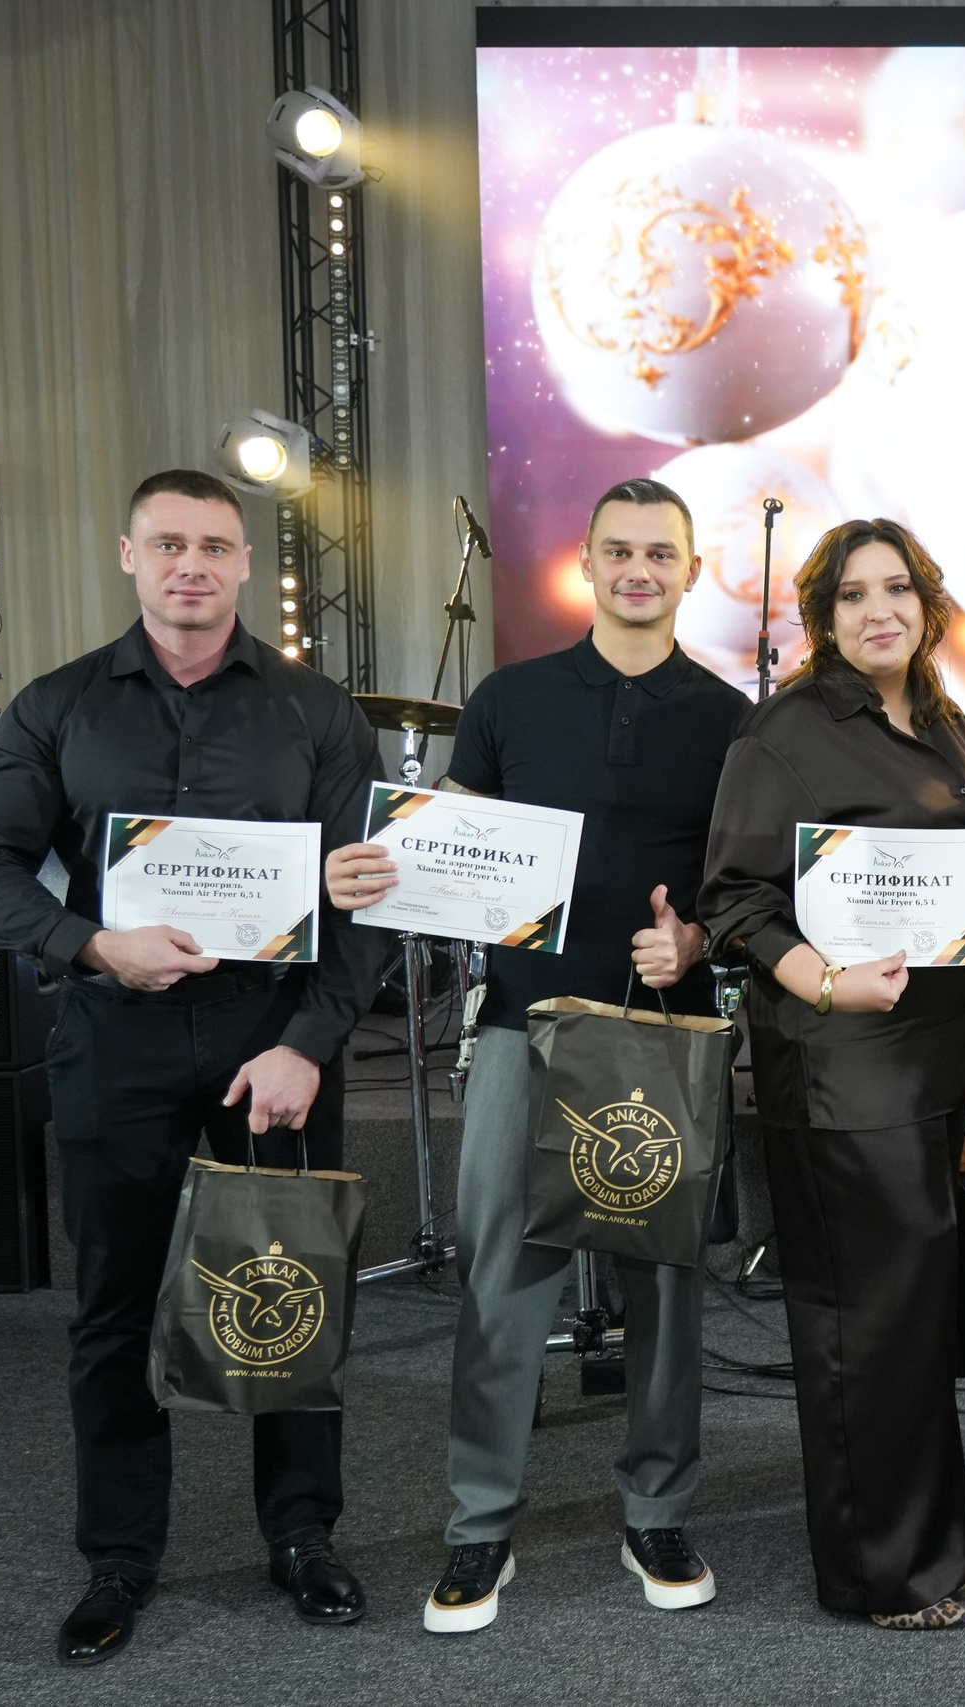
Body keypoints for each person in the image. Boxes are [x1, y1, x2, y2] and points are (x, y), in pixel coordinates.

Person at [0, 469, 387, 1666]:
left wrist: (307, 1042)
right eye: (168, 544)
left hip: (273, 1042)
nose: (191, 564)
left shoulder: (315, 713)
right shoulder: (57, 708)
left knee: (287, 1296)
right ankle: (120, 1559)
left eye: (215, 546)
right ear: (129, 556)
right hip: (116, 1035)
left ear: (246, 565)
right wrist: (90, 940)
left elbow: (363, 897)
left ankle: (302, 1536)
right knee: (115, 1308)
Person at [320, 478, 749, 1632]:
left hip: (662, 1035)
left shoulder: (731, 716)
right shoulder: (508, 699)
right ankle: (479, 1530)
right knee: (502, 1282)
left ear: (691, 570)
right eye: (619, 550)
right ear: (588, 563)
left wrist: (696, 937)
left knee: (666, 1289)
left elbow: (744, 883)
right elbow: (453, 836)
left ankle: (656, 1510)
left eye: (661, 552)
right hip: (519, 1026)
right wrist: (385, 864)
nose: (639, 570)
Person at [697, 518, 965, 1631]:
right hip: (838, 1059)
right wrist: (822, 982)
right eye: (854, 596)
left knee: (914, 1312)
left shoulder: (949, 723)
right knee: (860, 1322)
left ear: (927, 603)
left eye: (900, 590)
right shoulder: (784, 731)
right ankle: (881, 1572)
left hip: (932, 1058)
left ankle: (920, 1549)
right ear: (822, 618)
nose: (881, 611)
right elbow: (731, 897)